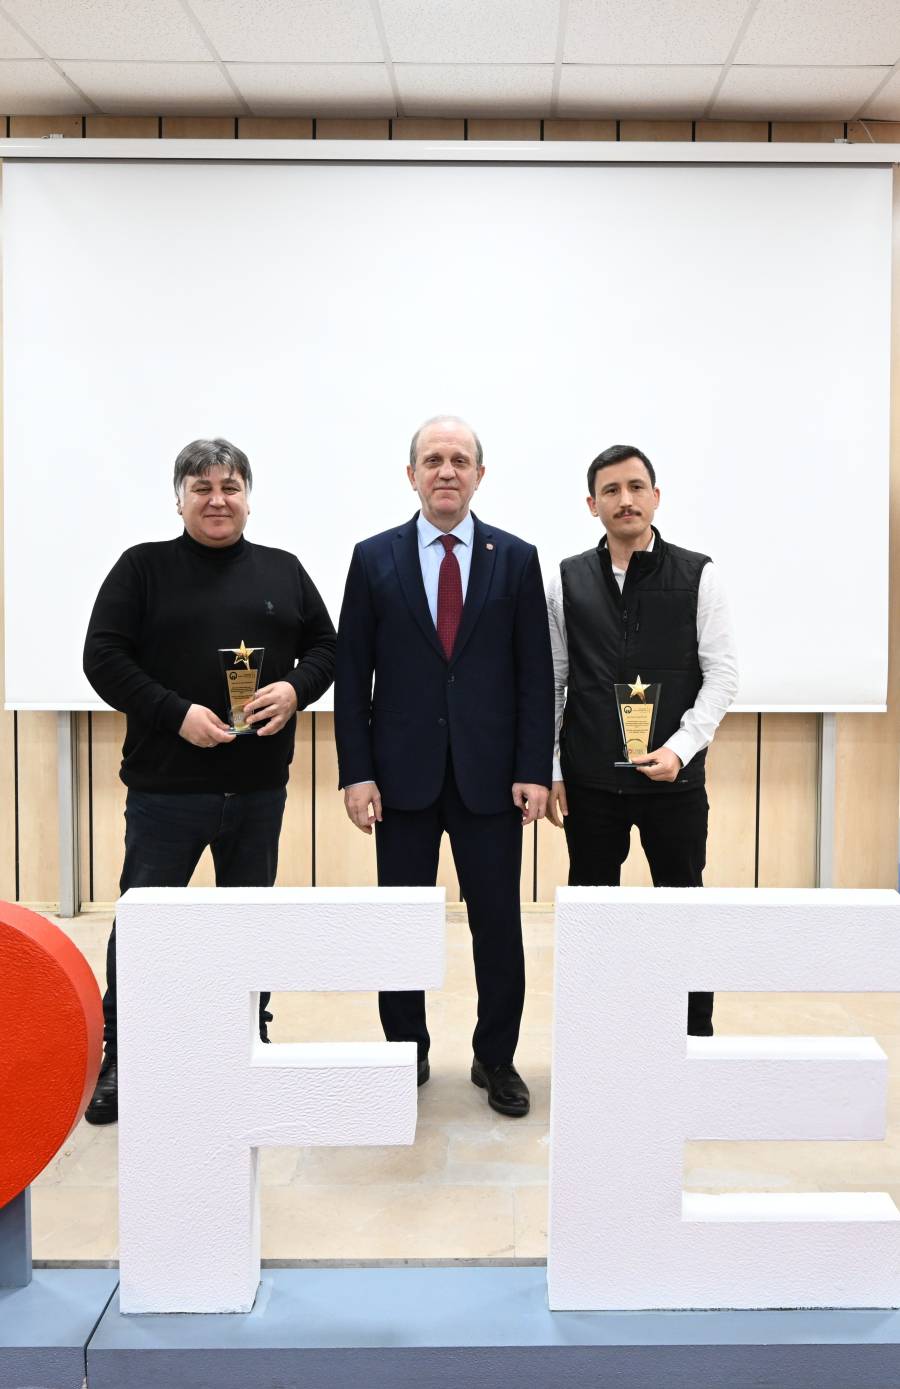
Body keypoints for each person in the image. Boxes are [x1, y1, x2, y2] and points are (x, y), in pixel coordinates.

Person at [82, 437, 336, 1124]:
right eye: (202, 488)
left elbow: (327, 646)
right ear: (180, 500)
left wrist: (295, 689)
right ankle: (123, 1055)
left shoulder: (284, 570)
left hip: (258, 788)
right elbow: (102, 657)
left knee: (249, 925)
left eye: (230, 486)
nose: (218, 499)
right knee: (144, 928)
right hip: (166, 789)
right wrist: (176, 714)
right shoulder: (142, 568)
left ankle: (247, 1040)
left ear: (248, 497)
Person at [334, 416, 554, 1117]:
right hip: (400, 780)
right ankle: (407, 1051)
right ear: (412, 475)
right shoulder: (374, 558)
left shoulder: (515, 558)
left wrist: (533, 767)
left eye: (460, 459)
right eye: (433, 459)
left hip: (492, 779)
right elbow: (352, 676)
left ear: (479, 475)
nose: (446, 470)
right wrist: (356, 771)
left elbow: (534, 675)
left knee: (498, 925)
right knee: (400, 924)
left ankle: (496, 1058)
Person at [546, 443, 738, 1036]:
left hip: (674, 784)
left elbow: (722, 674)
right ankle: (595, 1040)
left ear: (656, 496)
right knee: (594, 921)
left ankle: (692, 1039)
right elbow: (555, 680)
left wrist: (680, 748)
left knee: (683, 914)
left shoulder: (699, 574)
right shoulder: (566, 579)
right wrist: (554, 767)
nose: (624, 500)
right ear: (592, 504)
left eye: (635, 487)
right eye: (610, 490)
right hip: (590, 784)